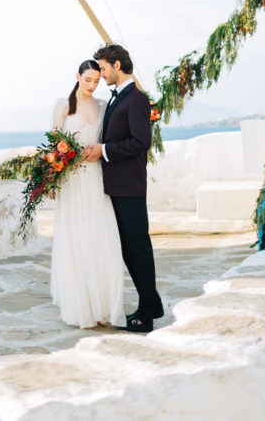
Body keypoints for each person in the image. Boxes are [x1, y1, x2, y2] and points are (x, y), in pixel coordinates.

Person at [83, 44, 164, 333]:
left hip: (129, 185)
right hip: (118, 184)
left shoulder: (136, 99)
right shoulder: (119, 98)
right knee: (130, 249)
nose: (101, 75)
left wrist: (103, 149)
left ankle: (145, 315)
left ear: (117, 65)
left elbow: (141, 142)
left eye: (103, 69)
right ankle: (152, 304)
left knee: (137, 248)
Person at [50, 59, 126, 329]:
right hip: (71, 181)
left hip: (95, 179)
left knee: (99, 235)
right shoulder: (63, 106)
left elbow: (110, 140)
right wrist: (51, 178)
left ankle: (102, 305)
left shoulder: (104, 107)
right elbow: (52, 146)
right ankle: (80, 304)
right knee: (76, 236)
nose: (93, 85)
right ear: (77, 77)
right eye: (88, 80)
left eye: (97, 80)